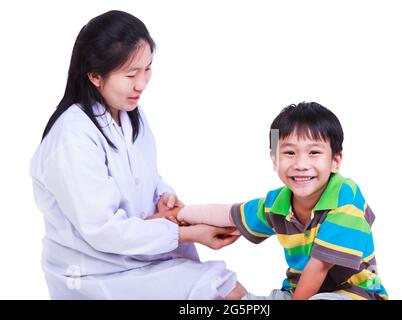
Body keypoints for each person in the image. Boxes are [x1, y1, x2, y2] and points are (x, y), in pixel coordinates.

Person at [30, 10, 247, 300]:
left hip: (136, 255)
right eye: (131, 74)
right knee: (221, 288)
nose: (141, 83)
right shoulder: (72, 138)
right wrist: (188, 233)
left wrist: (164, 197)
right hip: (95, 273)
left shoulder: (130, 115)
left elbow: (147, 176)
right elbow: (103, 229)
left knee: (224, 287)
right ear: (95, 76)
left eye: (147, 69)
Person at [154, 102, 388, 300]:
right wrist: (181, 213)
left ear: (335, 161)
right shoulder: (278, 202)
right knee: (222, 291)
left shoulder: (345, 197)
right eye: (289, 153)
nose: (301, 164)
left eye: (314, 153)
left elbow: (318, 268)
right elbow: (228, 214)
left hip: (356, 293)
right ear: (275, 160)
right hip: (297, 292)